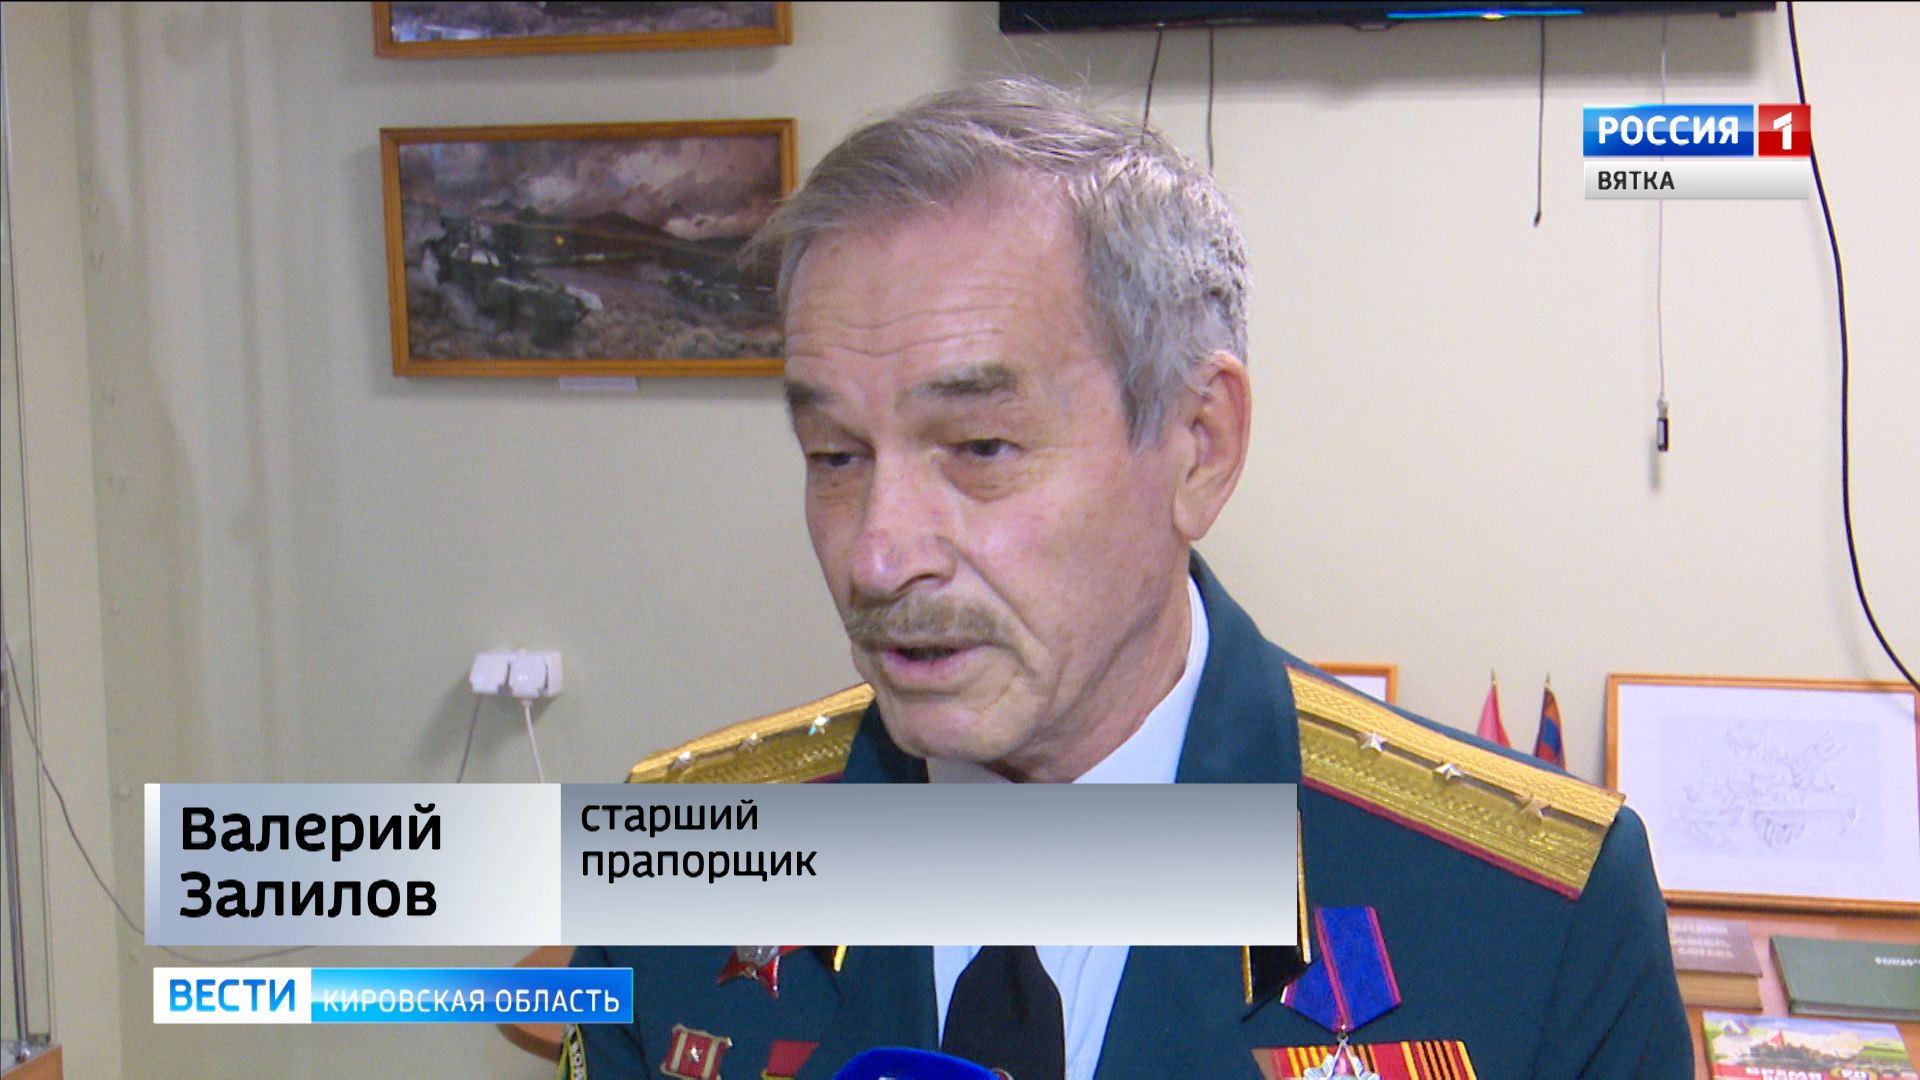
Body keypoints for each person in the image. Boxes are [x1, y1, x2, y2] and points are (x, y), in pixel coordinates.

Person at [566, 77, 1689, 1080]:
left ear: (1199, 447)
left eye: (980, 448)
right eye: (835, 457)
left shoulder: (1538, 914)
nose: (877, 555)